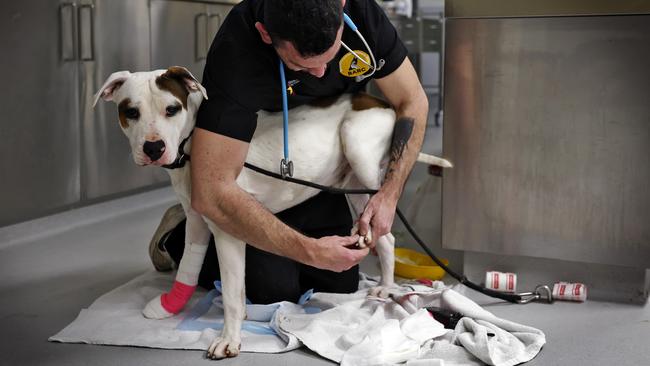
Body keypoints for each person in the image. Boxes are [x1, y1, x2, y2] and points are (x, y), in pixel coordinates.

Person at [149, 0, 427, 304]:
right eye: (302, 66)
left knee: (339, 283)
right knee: (272, 290)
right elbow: (211, 190)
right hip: (263, 184)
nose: (320, 74)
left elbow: (412, 101)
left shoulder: (364, 14)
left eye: (329, 57)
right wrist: (310, 251)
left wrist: (388, 194)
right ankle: (176, 234)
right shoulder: (236, 53)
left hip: (316, 169)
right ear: (266, 34)